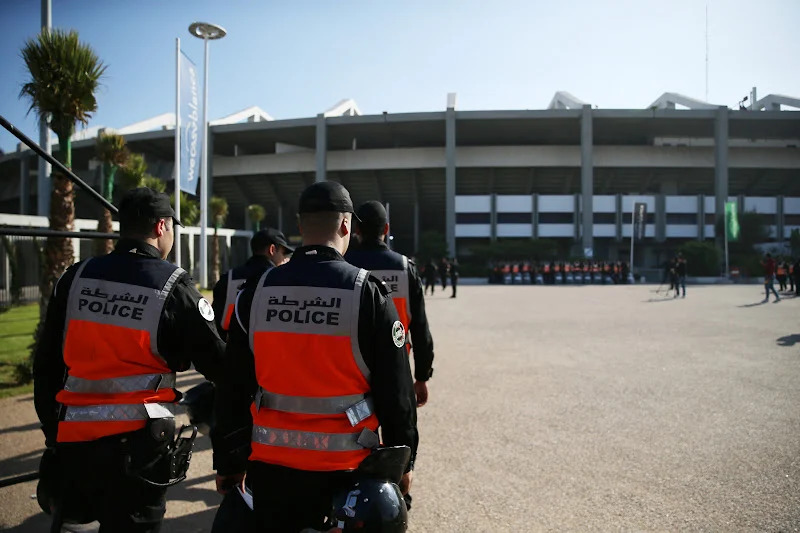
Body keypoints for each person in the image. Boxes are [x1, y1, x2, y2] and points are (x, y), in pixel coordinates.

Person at [212, 181, 418, 532]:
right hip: (347, 473)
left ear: (300, 224)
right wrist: (404, 458)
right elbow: (396, 391)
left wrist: (229, 460)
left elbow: (232, 385)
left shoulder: (257, 293)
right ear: (345, 225)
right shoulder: (365, 293)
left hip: (271, 468)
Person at [33, 187, 227, 532]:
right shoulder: (172, 285)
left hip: (74, 444)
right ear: (162, 227)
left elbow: (46, 365)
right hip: (139, 452)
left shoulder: (76, 278)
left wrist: (53, 432)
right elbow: (219, 364)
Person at [345, 200, 435, 406]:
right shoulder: (405, 268)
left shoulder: (343, 264)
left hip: (350, 368)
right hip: (396, 366)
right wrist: (421, 376)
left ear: (356, 229)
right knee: (399, 434)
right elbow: (420, 327)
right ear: (386, 228)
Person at [212, 228, 294, 337]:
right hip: (262, 348)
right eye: (283, 253)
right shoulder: (278, 281)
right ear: (272, 249)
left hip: (230, 347)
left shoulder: (229, 278)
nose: (284, 259)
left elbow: (214, 321)